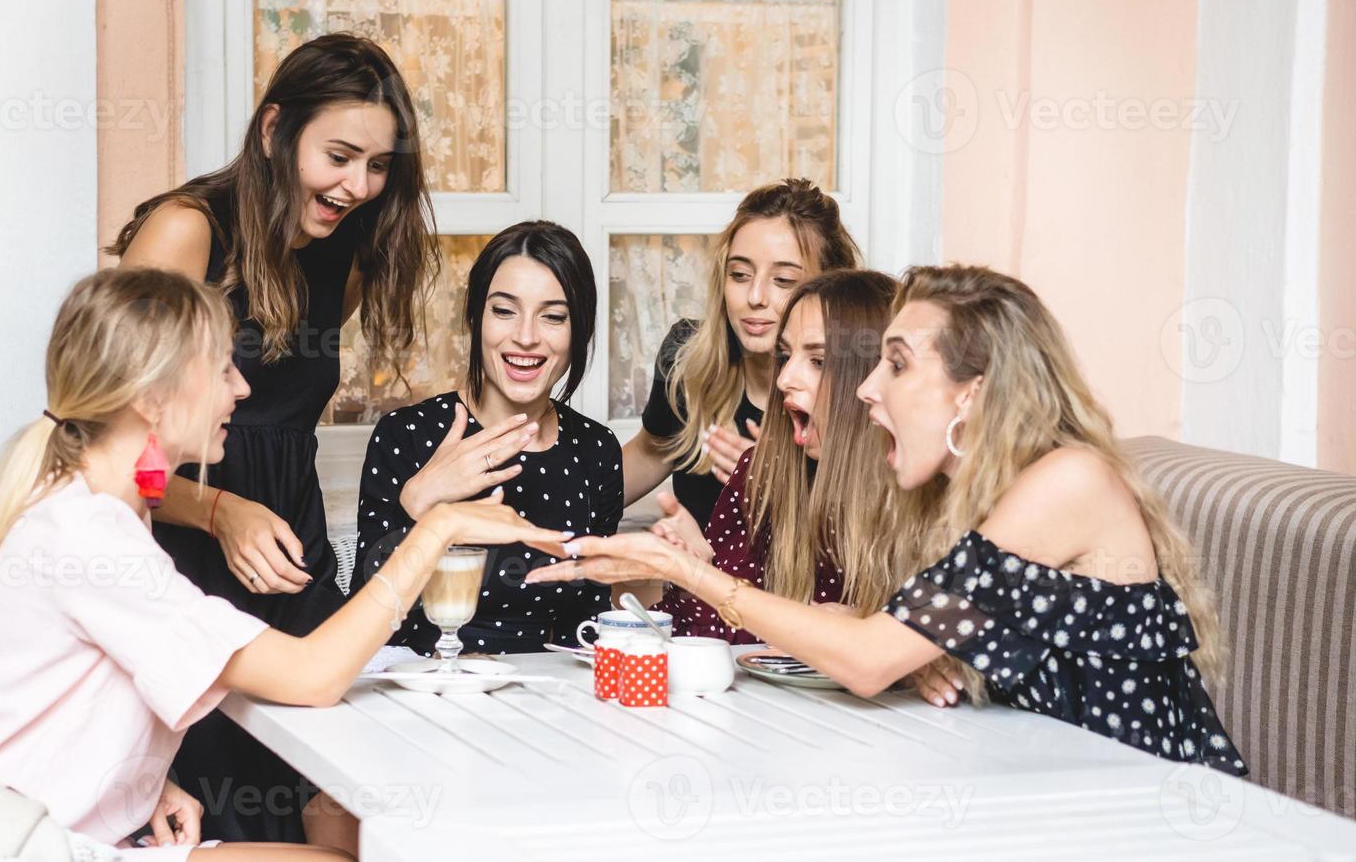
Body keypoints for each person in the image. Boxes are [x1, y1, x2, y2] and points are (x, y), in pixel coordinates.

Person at [0, 268, 565, 860]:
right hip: (20, 848)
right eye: (223, 370)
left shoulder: (83, 501)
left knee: (347, 829)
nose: (241, 389)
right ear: (152, 399)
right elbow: (310, 677)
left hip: (29, 827)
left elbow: (48, 700)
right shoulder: (90, 537)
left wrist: (142, 781)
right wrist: (438, 528)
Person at [529, 265, 1246, 774]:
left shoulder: (1063, 481)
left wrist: (682, 571)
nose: (867, 389)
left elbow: (870, 658)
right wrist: (904, 647)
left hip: (1147, 811)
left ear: (973, 392)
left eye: (896, 366)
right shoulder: (974, 498)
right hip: (1047, 786)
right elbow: (879, 642)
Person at [108, 33, 439, 841]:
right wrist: (218, 511)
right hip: (181, 561)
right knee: (223, 816)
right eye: (338, 155)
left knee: (348, 794)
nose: (357, 185)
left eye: (378, 164)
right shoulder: (186, 232)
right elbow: (96, 448)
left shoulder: (345, 257)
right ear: (272, 133)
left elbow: (283, 424)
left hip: (290, 558)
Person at [351, 222, 621, 653]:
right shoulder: (408, 434)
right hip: (425, 688)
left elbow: (586, 619)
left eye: (553, 316)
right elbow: (365, 616)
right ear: (476, 318)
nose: (527, 336)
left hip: (547, 695)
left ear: (579, 331)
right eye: (504, 310)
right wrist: (418, 506)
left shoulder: (595, 449)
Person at [648, 270, 898, 644]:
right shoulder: (760, 475)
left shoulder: (922, 493)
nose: (784, 379)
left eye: (817, 361)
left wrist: (876, 633)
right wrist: (700, 574)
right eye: (785, 355)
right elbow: (730, 641)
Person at [621, 179, 861, 539]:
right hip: (695, 592)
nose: (755, 296)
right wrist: (532, 514)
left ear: (832, 290)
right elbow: (649, 453)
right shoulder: (686, 358)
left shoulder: (864, 393)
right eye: (740, 275)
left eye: (783, 280)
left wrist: (777, 488)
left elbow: (857, 558)